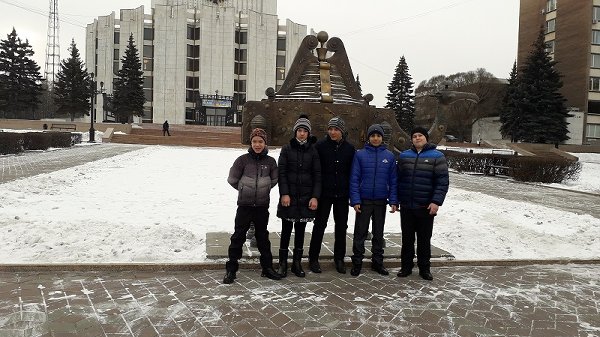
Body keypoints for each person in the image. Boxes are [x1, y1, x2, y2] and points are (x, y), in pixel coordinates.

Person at [223, 128, 281, 284]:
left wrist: (262, 190)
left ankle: (267, 268)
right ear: (251, 142)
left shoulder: (270, 162)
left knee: (263, 237)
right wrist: (244, 189)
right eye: (255, 141)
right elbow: (232, 179)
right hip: (244, 205)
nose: (257, 144)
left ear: (265, 143)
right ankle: (231, 269)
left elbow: (274, 180)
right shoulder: (242, 160)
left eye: (260, 141)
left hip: (262, 206)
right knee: (238, 237)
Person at [397, 126, 449, 281]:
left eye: (420, 135)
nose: (417, 138)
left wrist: (436, 202)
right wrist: (396, 199)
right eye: (414, 136)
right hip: (407, 205)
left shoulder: (437, 156)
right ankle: (406, 267)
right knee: (407, 239)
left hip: (425, 206)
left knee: (424, 239)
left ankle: (424, 268)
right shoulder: (404, 156)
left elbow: (442, 182)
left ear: (426, 138)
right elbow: (398, 179)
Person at [349, 124, 398, 277]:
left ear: (382, 138)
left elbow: (393, 180)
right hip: (364, 200)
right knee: (360, 233)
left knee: (378, 233)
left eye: (378, 136)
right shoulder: (360, 155)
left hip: (380, 200)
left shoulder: (389, 156)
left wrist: (394, 200)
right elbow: (354, 178)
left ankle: (378, 262)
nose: (375, 138)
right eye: (373, 136)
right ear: (369, 138)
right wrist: (355, 200)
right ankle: (357, 262)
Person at [309, 116, 355, 274]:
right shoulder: (320, 146)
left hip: (342, 193)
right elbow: (315, 170)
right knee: (319, 225)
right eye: (331, 129)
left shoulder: (349, 148)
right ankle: (313, 258)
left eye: (336, 129)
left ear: (342, 131)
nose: (333, 132)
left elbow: (352, 172)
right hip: (324, 193)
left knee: (341, 227)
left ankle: (339, 258)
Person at [277, 115, 321, 278]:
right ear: (295, 132)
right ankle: (282, 263)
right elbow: (282, 173)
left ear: (309, 133)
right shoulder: (286, 149)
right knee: (286, 230)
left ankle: (296, 263)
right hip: (290, 197)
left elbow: (317, 175)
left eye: (305, 131)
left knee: (301, 231)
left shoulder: (313, 151)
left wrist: (315, 196)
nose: (302, 134)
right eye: (299, 130)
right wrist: (284, 194)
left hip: (305, 198)